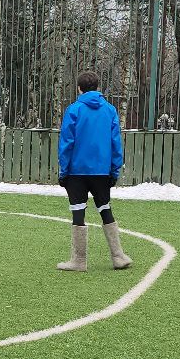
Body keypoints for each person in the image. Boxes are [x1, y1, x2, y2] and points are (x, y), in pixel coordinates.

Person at [56, 71, 132, 272]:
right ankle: (118, 256)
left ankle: (79, 261)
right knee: (105, 209)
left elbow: (66, 143)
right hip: (101, 171)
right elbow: (116, 143)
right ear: (98, 87)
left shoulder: (74, 110)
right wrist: (114, 170)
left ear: (79, 88)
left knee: (78, 211)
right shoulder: (110, 110)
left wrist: (64, 171)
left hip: (76, 172)